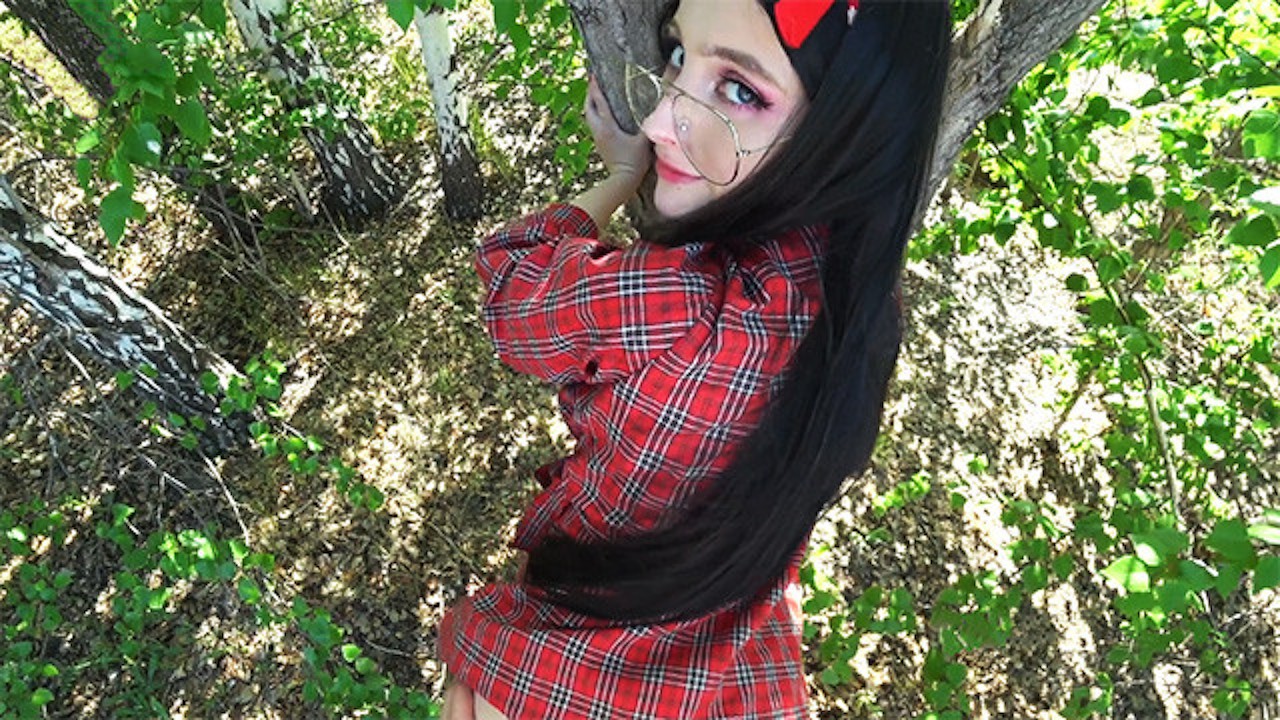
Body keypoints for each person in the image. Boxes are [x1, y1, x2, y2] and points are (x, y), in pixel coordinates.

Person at [438, 0, 951, 717]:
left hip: (573, 662)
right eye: (678, 54)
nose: (658, 121)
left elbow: (508, 290)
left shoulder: (681, 300)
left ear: (848, 127)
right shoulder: (864, 307)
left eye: (740, 89)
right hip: (732, 668)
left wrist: (620, 177)